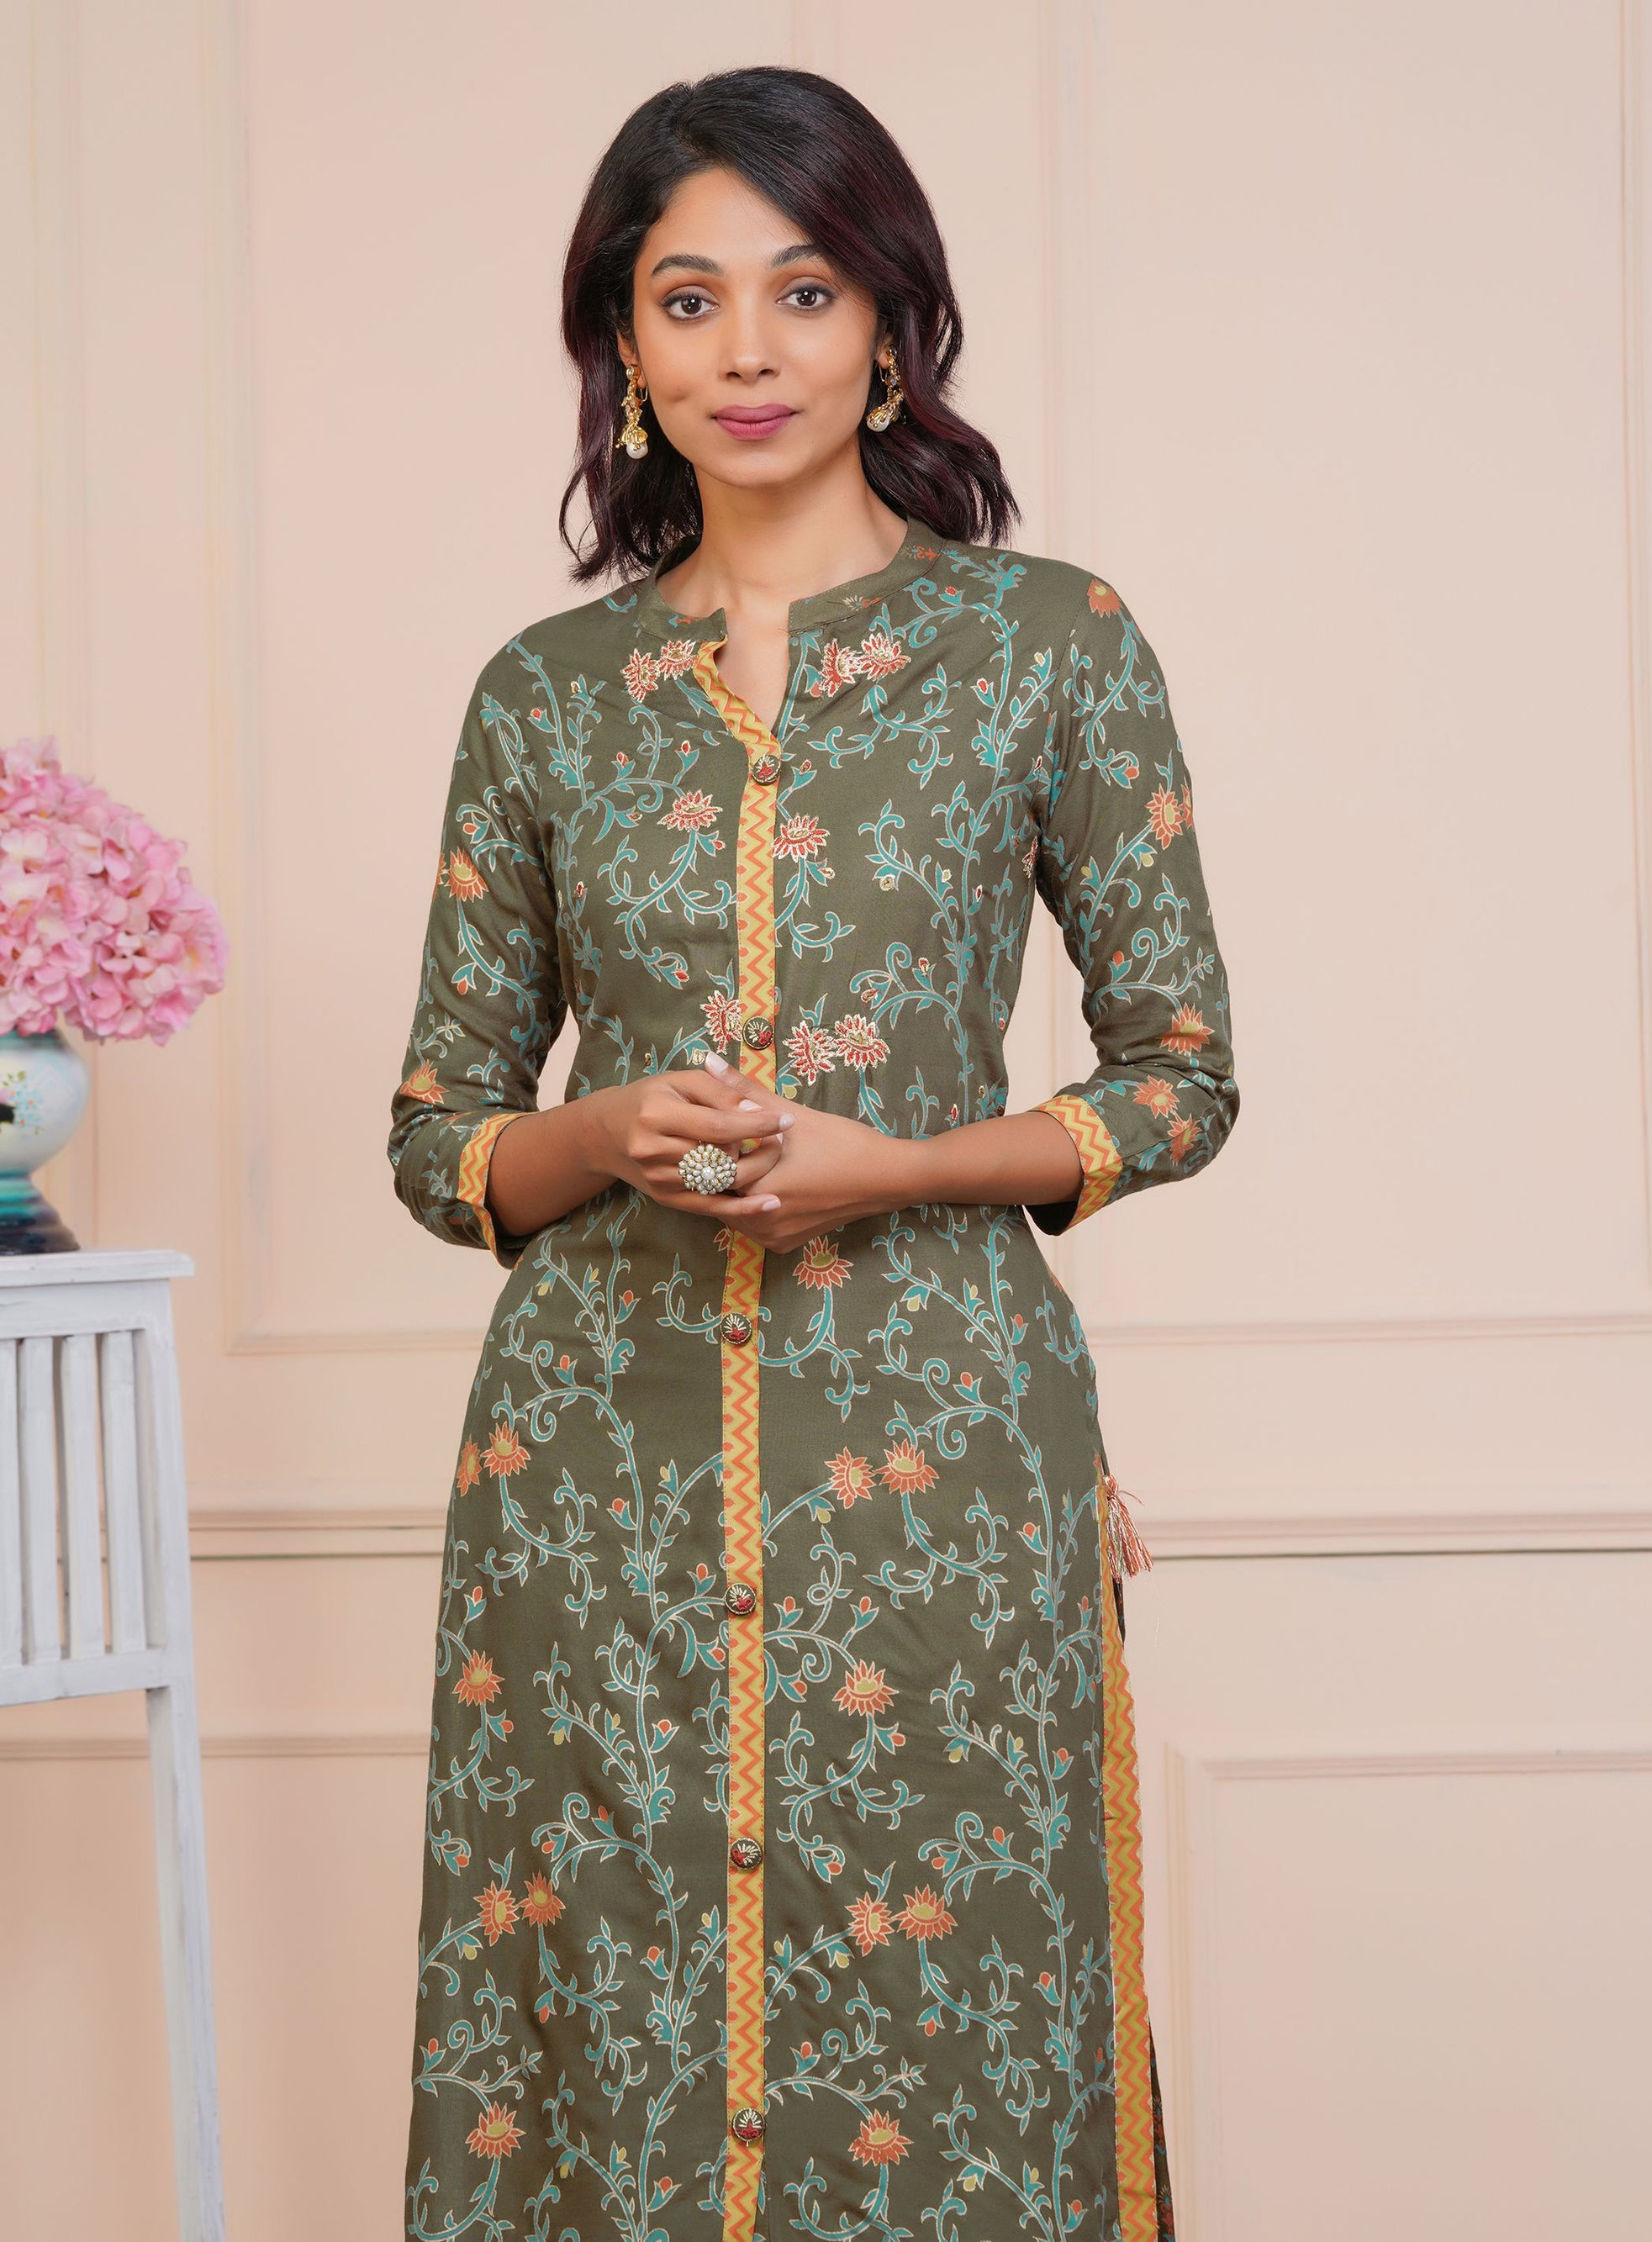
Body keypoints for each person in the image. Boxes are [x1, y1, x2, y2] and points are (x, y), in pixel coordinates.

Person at [388, 62, 1237, 2242]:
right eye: (687, 299)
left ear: (889, 322)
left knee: (958, 2019)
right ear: (622, 342)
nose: (746, 351)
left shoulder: (1045, 647)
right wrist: (598, 1127)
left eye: (804, 287)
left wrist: (901, 1167)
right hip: (602, 1479)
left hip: (943, 1457)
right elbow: (441, 1133)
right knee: (617, 2020)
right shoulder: (545, 696)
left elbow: (1180, 1072)